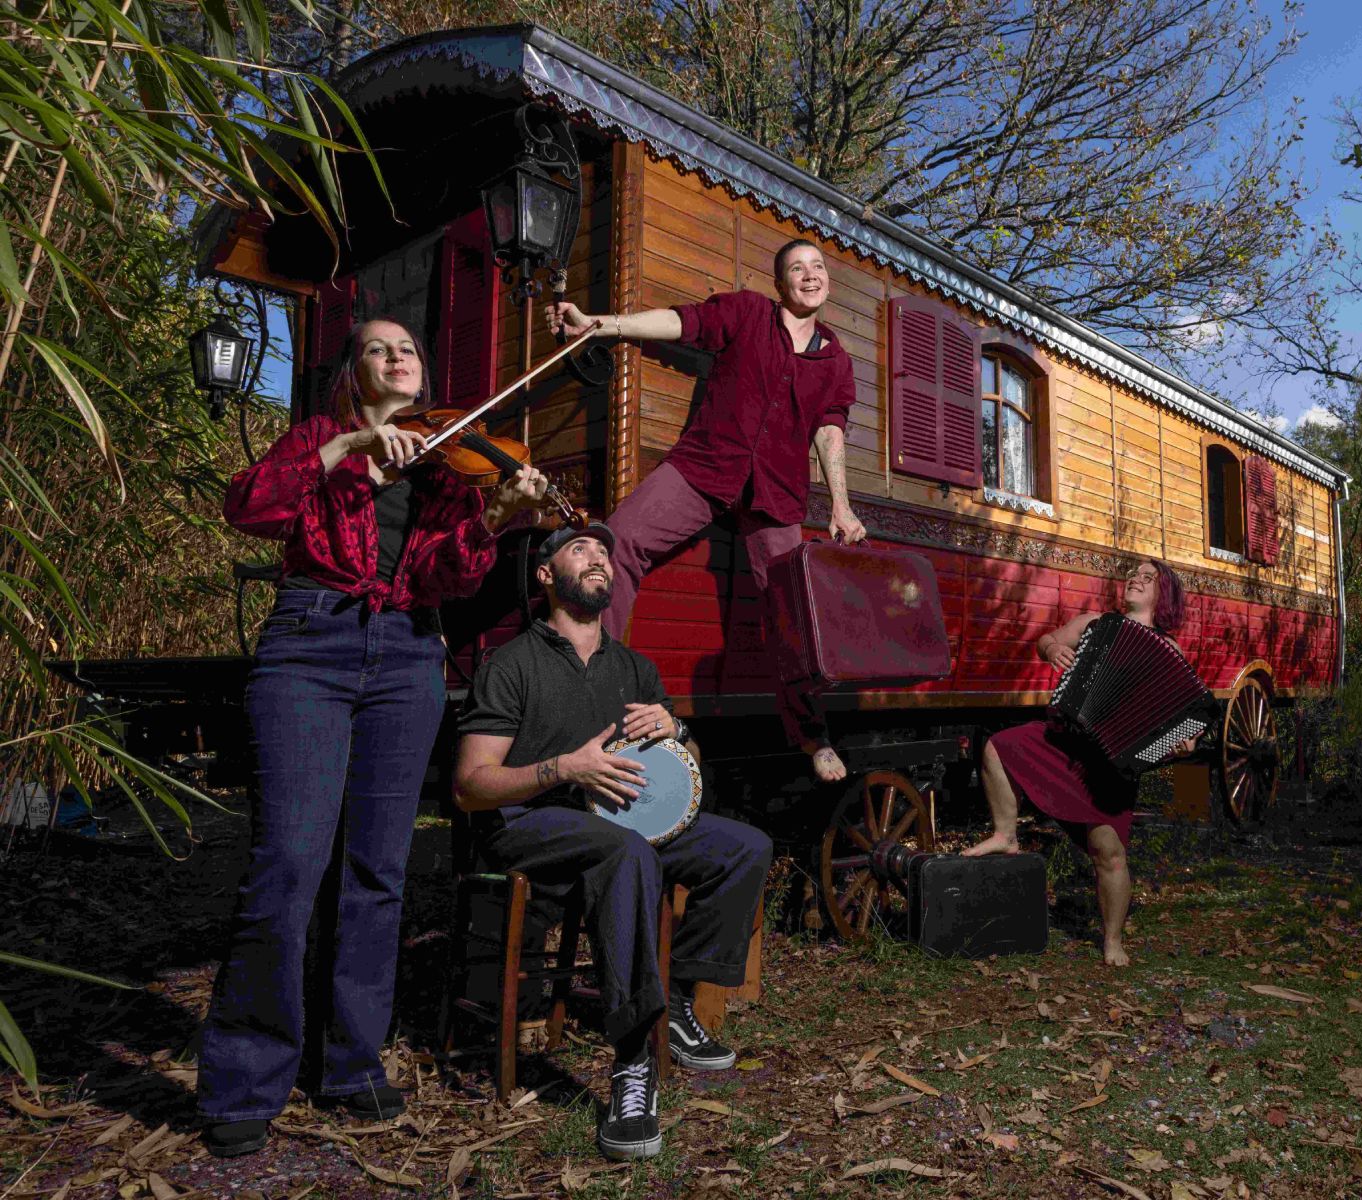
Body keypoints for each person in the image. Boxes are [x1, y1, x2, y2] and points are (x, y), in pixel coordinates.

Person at [198, 317, 551, 1158]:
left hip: (405, 653)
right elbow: (248, 507)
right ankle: (248, 1078)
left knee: (378, 871)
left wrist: (497, 512)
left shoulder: (445, 468)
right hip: (310, 641)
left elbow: (444, 578)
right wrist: (351, 443)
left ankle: (352, 1065)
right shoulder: (321, 438)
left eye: (411, 350)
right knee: (289, 860)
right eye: (378, 348)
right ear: (352, 375)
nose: (399, 356)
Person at [454, 524, 773, 1162]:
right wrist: (565, 769)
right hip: (534, 824)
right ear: (545, 576)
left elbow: (688, 766)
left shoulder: (633, 667)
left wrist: (677, 729)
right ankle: (633, 1061)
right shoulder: (511, 665)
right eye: (580, 549)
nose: (599, 557)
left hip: (626, 820)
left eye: (605, 550)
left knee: (745, 846)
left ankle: (678, 1001)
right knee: (623, 851)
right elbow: (470, 785)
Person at [545, 238, 867, 782]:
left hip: (774, 493)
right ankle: (593, 690)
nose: (809, 276)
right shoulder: (746, 312)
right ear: (779, 282)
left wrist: (841, 503)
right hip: (706, 465)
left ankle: (813, 737)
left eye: (817, 268)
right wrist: (598, 324)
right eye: (796, 268)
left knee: (790, 608)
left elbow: (829, 430)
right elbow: (680, 324)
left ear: (826, 281)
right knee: (615, 544)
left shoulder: (835, 359)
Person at [963, 558, 1195, 967]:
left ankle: (1112, 942)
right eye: (1134, 574)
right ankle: (1006, 834)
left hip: (1109, 761)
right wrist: (1053, 648)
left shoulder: (1169, 650)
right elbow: (1046, 640)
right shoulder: (1095, 623)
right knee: (996, 746)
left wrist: (1181, 741)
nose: (1136, 580)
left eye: (1148, 578)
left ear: (1164, 595)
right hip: (1066, 738)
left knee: (1109, 853)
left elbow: (1183, 715)